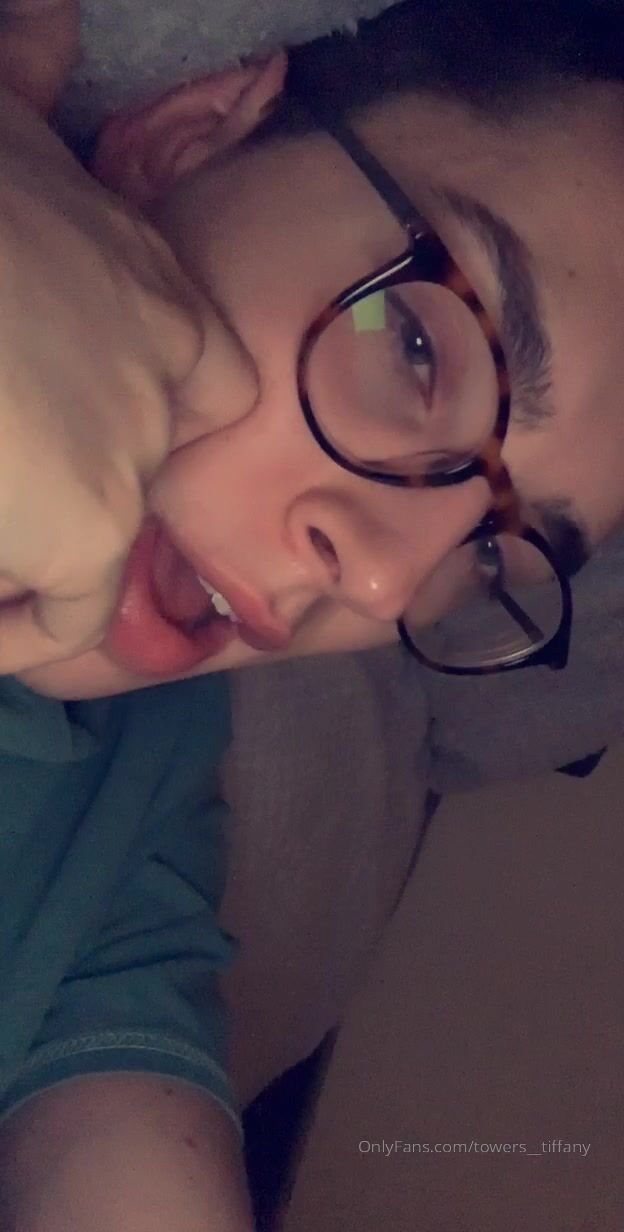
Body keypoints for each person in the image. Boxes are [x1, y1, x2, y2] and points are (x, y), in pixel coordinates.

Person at [2, 0, 624, 1227]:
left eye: (490, 556)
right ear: (186, 139)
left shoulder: (138, 797)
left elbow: (117, 1137)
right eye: (417, 351)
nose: (384, 582)